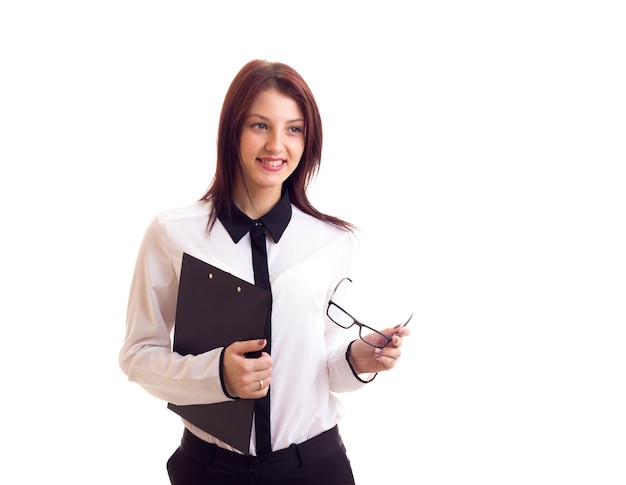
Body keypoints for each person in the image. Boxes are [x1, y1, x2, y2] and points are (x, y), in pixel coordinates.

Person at [119, 59, 410, 485]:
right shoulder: (172, 234)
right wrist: (216, 374)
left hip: (314, 467)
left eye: (294, 129)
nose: (277, 145)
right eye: (260, 125)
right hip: (210, 469)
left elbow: (325, 365)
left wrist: (357, 358)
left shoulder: (332, 242)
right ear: (232, 130)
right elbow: (137, 356)